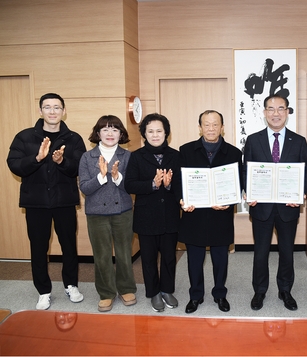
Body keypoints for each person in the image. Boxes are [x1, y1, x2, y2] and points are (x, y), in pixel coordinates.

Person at [6, 92, 86, 310]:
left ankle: (71, 285)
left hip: (64, 201)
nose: (52, 111)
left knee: (69, 246)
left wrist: (62, 161)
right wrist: (37, 158)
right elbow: (13, 164)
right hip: (36, 202)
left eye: (57, 107)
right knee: (39, 247)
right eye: (48, 107)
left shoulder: (74, 139)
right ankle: (43, 291)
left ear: (64, 111)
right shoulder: (24, 137)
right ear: (40, 111)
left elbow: (80, 167)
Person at [243, 94, 307, 311]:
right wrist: (247, 191)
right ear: (264, 113)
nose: (276, 113)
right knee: (260, 252)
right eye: (271, 109)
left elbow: (304, 173)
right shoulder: (253, 140)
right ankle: (259, 291)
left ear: (287, 112)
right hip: (261, 207)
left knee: (287, 251)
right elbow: (247, 171)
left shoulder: (298, 141)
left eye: (281, 108)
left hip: (287, 207)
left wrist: (300, 194)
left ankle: (285, 290)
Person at [178, 110, 243, 314]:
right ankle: (195, 295)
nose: (211, 128)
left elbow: (238, 183)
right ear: (200, 127)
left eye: (216, 124)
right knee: (194, 259)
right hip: (194, 214)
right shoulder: (186, 150)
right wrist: (182, 199)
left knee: (220, 259)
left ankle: (220, 294)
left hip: (220, 215)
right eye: (207, 125)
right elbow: (181, 182)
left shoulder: (234, 153)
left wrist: (229, 201)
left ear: (222, 127)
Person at [79, 115, 137, 312]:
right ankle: (106, 293)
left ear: (121, 134)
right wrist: (101, 176)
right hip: (96, 213)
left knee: (123, 253)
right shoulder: (87, 157)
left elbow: (131, 185)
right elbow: (85, 188)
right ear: (98, 133)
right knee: (102, 255)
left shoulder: (128, 156)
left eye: (114, 129)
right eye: (105, 129)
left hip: (122, 211)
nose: (110, 133)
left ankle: (127, 288)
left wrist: (117, 176)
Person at [124, 113, 181, 312]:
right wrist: (153, 184)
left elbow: (182, 186)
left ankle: (167, 290)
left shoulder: (176, 155)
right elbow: (129, 184)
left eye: (159, 131)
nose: (155, 135)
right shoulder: (136, 156)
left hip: (170, 215)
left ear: (166, 133)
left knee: (169, 256)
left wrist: (170, 184)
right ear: (144, 134)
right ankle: (153, 292)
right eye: (150, 131)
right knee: (148, 258)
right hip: (146, 216)